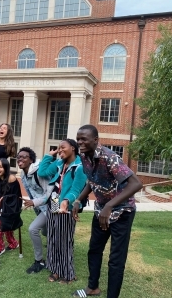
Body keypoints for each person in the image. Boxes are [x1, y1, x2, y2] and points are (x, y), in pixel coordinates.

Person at [72, 125, 143, 298]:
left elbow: (136, 184)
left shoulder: (110, 157)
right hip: (101, 212)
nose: (80, 142)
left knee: (115, 260)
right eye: (78, 138)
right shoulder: (83, 156)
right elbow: (92, 180)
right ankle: (92, 288)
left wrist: (110, 206)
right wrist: (78, 199)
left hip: (122, 212)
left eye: (84, 139)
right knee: (94, 250)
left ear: (96, 140)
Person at [38, 139, 87, 284]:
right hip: (53, 203)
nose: (60, 150)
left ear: (73, 148)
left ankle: (69, 273)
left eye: (62, 148)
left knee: (64, 240)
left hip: (67, 207)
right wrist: (49, 156)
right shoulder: (59, 163)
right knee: (53, 237)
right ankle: (56, 269)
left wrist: (66, 201)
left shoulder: (80, 167)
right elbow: (42, 172)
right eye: (58, 148)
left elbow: (76, 189)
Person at [17, 147, 52, 274]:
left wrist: (34, 202)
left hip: (51, 204)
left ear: (31, 160)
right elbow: (31, 193)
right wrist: (34, 204)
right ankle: (55, 244)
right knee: (45, 231)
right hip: (40, 206)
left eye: (24, 157)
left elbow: (49, 192)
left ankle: (39, 261)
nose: (20, 159)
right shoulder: (23, 175)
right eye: (19, 157)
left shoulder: (39, 172)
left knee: (33, 229)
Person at [0, 158, 21, 256]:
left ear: (6, 168)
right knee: (7, 227)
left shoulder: (11, 178)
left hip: (11, 209)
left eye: (0, 167)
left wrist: (5, 211)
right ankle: (14, 243)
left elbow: (15, 197)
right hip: (1, 207)